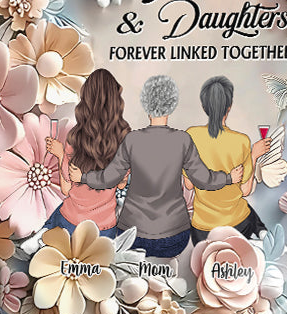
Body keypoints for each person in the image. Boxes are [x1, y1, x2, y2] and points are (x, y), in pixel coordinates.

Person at [69, 74, 243, 258]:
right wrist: (229, 178)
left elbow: (109, 178)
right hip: (175, 237)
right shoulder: (183, 140)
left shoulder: (132, 140)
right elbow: (204, 179)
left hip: (133, 236)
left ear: (146, 104)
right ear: (172, 104)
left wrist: (83, 177)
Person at [43, 69, 130, 239]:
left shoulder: (75, 137)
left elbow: (66, 189)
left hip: (70, 222)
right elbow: (121, 185)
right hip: (104, 229)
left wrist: (61, 155)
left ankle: (41, 236)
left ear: (86, 101)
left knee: (54, 223)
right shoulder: (125, 138)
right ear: (116, 102)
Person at [185, 75, 271, 245]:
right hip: (237, 226)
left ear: (204, 106)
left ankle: (261, 233)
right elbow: (245, 191)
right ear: (229, 107)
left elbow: (188, 185)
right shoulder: (242, 141)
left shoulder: (191, 135)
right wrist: (254, 156)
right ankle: (262, 233)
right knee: (246, 209)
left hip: (202, 231)